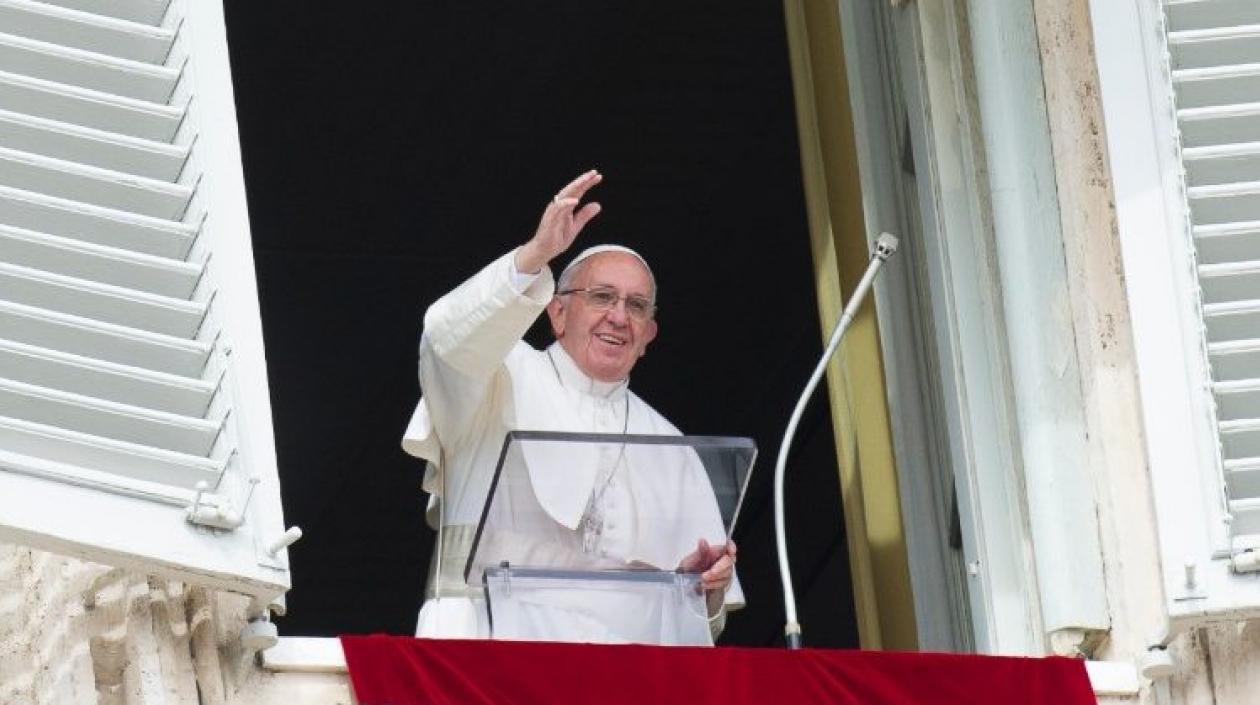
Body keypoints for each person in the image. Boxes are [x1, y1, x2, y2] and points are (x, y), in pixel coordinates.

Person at [402, 169, 742, 642]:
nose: (619, 317)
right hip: (489, 651)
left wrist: (696, 587)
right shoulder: (500, 376)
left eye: (637, 306)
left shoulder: (671, 444)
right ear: (557, 312)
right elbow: (444, 338)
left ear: (649, 336)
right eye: (601, 297)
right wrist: (534, 257)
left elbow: (705, 620)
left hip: (623, 675)